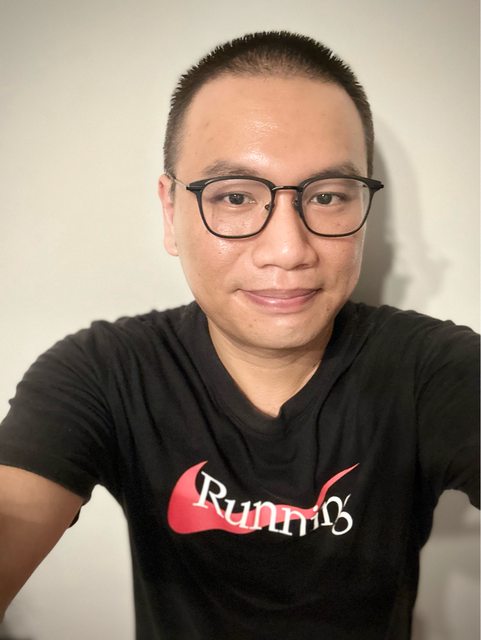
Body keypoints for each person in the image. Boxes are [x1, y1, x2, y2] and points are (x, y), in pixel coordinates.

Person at [0, 30, 478, 640]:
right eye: (234, 197)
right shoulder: (104, 373)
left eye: (328, 196)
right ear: (170, 212)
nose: (288, 250)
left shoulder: (432, 371)